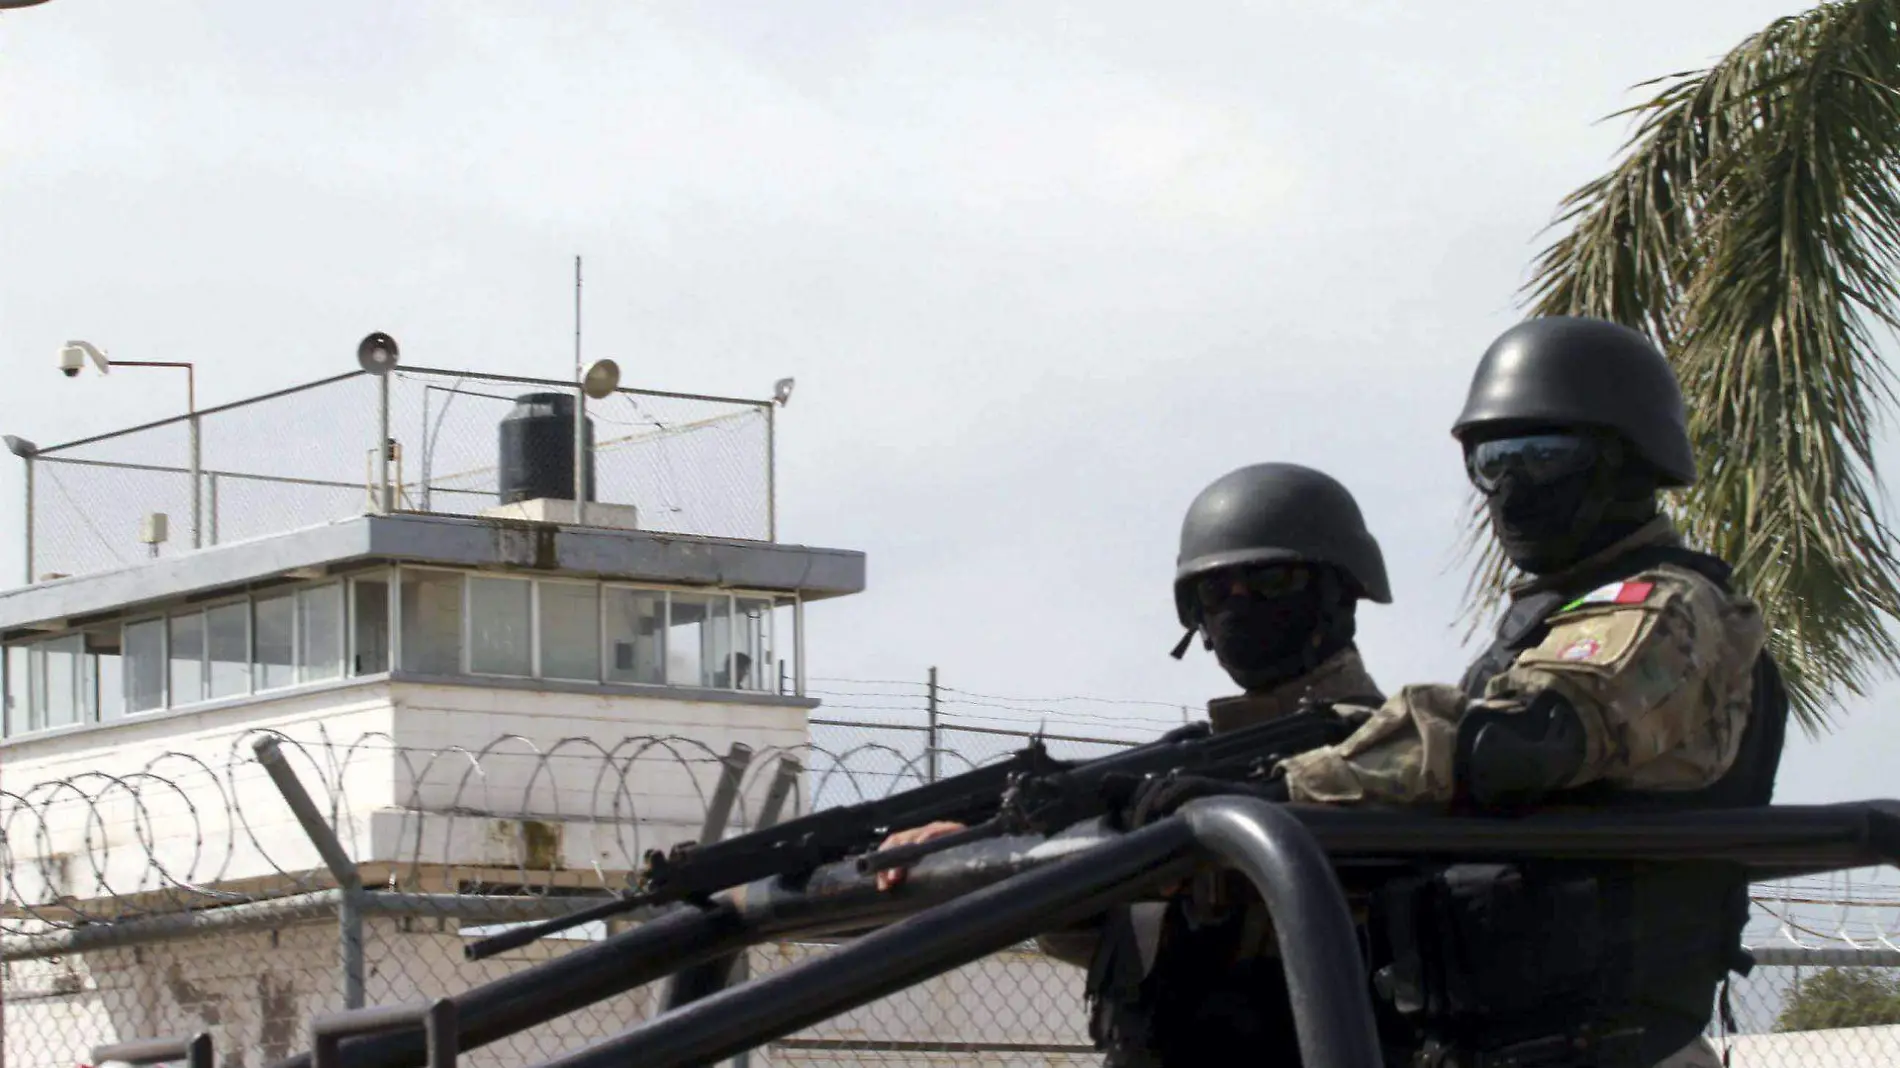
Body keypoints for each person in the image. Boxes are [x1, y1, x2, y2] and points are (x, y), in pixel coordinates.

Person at [1132, 316, 1786, 1067]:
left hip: (1613, 1044)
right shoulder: (1547, 626)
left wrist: (1281, 790)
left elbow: (1522, 739)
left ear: (1630, 458)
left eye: (1541, 454)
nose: (1511, 487)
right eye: (1491, 460)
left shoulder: (1666, 606)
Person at [877, 461, 1396, 1066]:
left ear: (1338, 593)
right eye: (1215, 590)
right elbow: (1105, 947)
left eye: (1271, 579)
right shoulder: (1179, 772)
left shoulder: (1392, 758)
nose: (1239, 605)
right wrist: (988, 845)